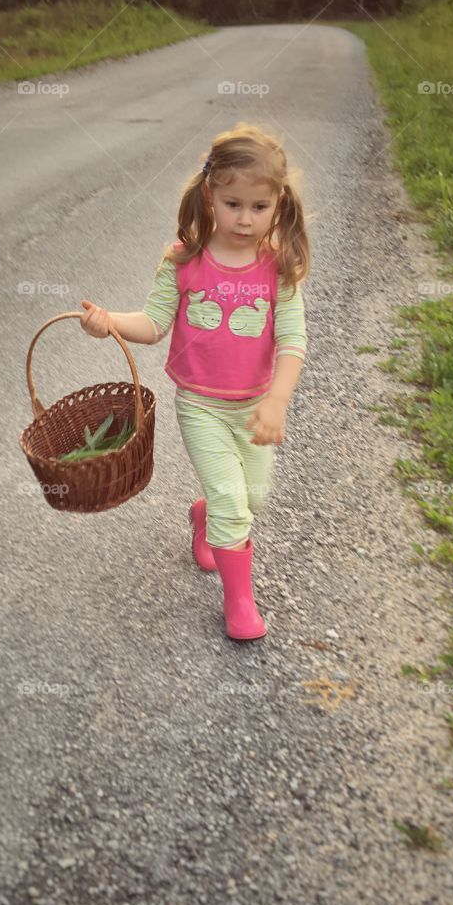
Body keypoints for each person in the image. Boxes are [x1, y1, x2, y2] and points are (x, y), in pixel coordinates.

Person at [80, 123, 311, 642]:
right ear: (210, 196)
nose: (245, 219)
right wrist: (110, 322)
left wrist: (276, 400)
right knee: (235, 501)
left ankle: (204, 515)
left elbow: (293, 342)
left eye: (259, 207)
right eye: (233, 204)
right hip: (201, 405)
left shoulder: (280, 269)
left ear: (278, 204)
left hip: (254, 406)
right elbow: (155, 323)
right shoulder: (185, 258)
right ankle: (240, 604)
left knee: (255, 497)